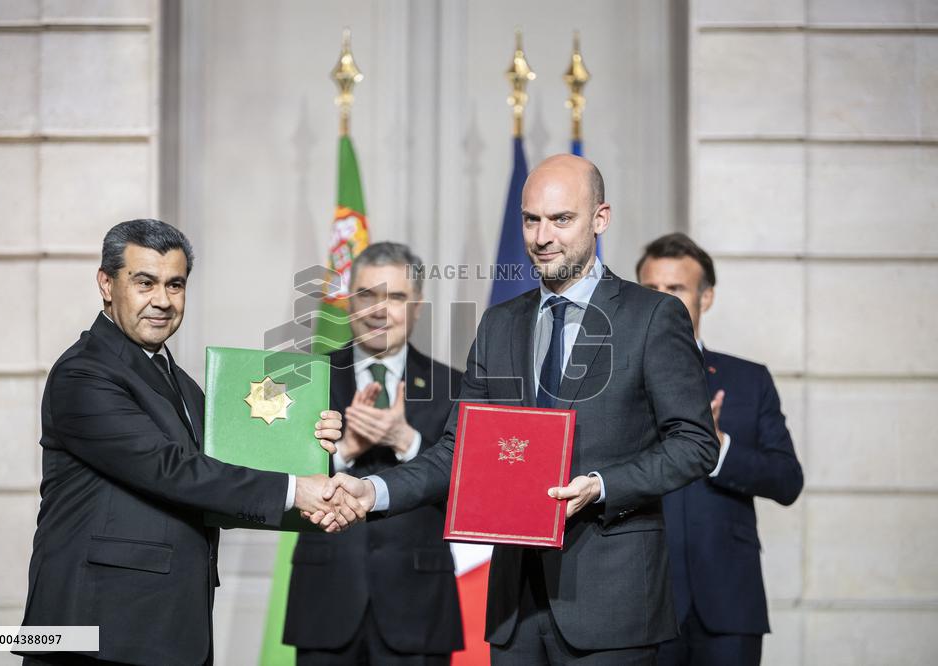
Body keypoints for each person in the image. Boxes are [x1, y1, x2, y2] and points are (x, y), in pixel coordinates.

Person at [319, 155, 721, 665]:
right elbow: (457, 450)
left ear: (600, 218)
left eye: (561, 219)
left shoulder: (653, 317)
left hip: (612, 604)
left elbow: (695, 443)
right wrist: (372, 490)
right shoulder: (500, 324)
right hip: (515, 608)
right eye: (531, 220)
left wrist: (601, 485)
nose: (542, 236)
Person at [16, 219, 361, 666]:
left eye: (175, 285)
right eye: (145, 283)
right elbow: (172, 471)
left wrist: (313, 452)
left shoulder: (183, 385)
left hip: (168, 632)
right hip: (97, 634)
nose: (162, 300)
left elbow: (220, 484)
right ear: (106, 283)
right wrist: (298, 489)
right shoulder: (84, 373)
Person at [284, 242, 464, 664]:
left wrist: (406, 441)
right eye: (366, 294)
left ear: (417, 306)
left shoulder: (456, 386)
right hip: (325, 600)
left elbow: (472, 486)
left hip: (419, 604)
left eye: (396, 297)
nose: (379, 310)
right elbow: (279, 482)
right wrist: (348, 448)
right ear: (348, 303)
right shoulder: (306, 379)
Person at [636, 232, 804, 666]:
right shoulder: (614, 380)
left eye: (675, 289)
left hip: (730, 604)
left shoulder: (749, 380)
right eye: (651, 289)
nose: (661, 300)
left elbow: (787, 481)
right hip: (641, 603)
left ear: (705, 297)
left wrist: (719, 448)